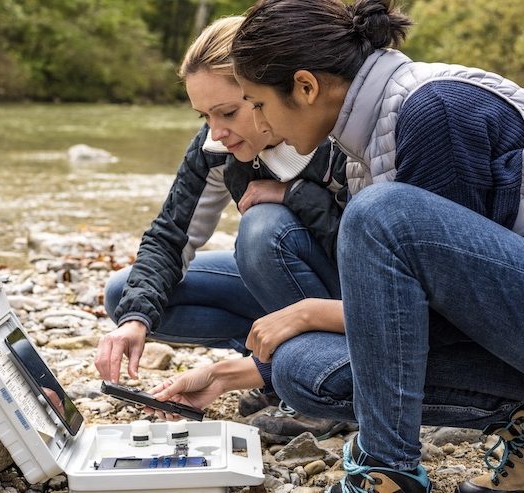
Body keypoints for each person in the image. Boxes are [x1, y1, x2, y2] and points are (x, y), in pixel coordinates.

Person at [222, 0, 524, 492]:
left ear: (305, 86)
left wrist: (310, 312)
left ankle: (387, 470)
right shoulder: (363, 134)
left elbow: (440, 319)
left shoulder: (434, 110)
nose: (258, 124)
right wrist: (257, 364)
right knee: (301, 368)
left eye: (257, 103)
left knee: (379, 213)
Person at [94, 15, 351, 441]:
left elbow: (371, 252)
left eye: (228, 111)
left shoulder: (335, 135)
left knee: (262, 229)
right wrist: (134, 321)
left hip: (348, 301)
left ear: (262, 89)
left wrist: (293, 195)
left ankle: (323, 386)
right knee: (125, 296)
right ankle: (269, 373)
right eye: (205, 115)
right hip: (285, 289)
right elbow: (170, 236)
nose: (216, 131)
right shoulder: (216, 145)